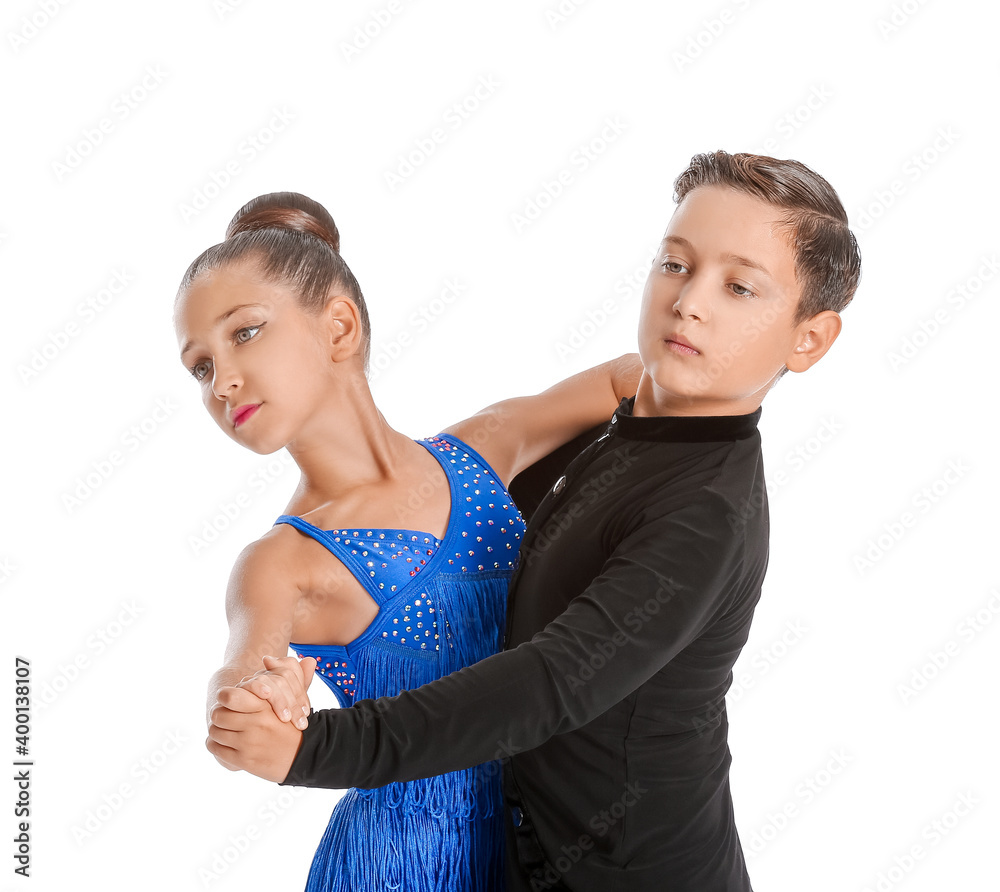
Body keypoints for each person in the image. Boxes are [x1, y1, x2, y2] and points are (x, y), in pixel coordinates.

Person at [206, 151, 862, 891]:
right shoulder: (630, 422)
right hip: (470, 856)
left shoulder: (705, 511)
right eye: (675, 265)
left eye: (740, 287)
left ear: (807, 339)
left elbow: (553, 682)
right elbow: (259, 647)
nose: (690, 303)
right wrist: (252, 695)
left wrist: (312, 749)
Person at [175, 191, 643, 892]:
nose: (222, 382)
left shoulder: (483, 448)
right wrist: (246, 697)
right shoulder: (279, 563)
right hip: (395, 866)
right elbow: (245, 667)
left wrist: (710, 371)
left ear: (338, 326)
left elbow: (619, 380)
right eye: (201, 366)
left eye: (244, 333)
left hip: (534, 840)